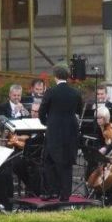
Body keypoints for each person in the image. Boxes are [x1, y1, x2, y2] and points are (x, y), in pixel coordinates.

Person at [38, 66, 83, 201]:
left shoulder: (51, 92)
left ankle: (52, 191)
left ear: (56, 76)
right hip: (70, 132)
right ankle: (65, 195)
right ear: (67, 76)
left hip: (54, 132)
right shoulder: (75, 92)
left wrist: (48, 123)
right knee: (67, 164)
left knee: (49, 161)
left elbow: (41, 112)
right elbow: (78, 111)